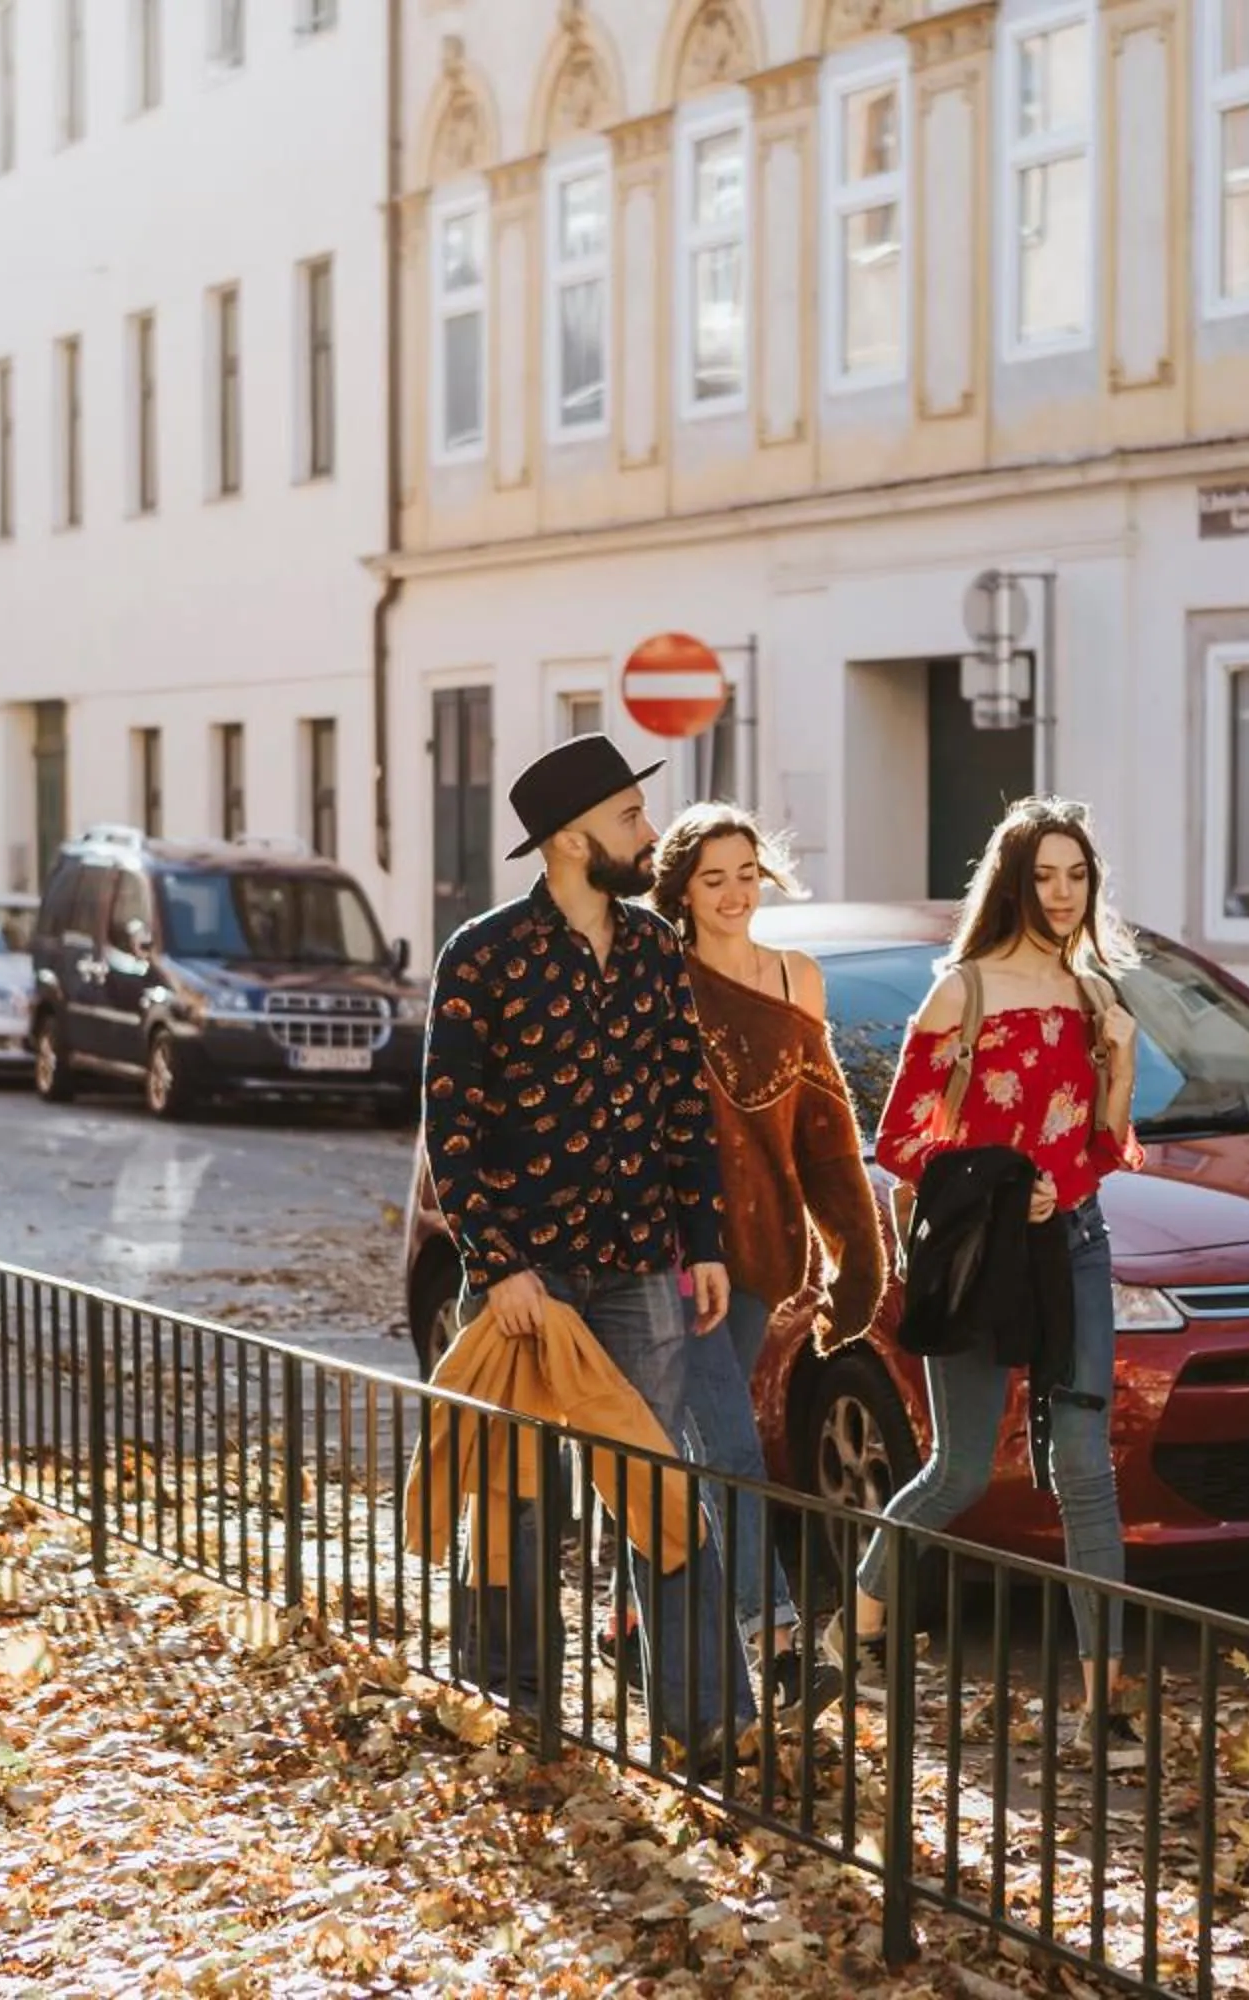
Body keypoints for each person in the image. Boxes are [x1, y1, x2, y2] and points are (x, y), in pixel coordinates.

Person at [419, 733, 753, 1772]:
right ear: (571, 839)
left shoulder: (653, 949)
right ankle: (512, 1704)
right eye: (629, 818)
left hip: (640, 1261)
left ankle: (706, 1720)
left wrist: (703, 1243)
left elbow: (685, 1108)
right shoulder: (483, 953)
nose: (649, 834)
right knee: (517, 1491)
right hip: (528, 1274)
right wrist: (497, 1267)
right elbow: (449, 1127)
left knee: (658, 1487)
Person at [833, 796, 1145, 1765]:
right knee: (961, 1470)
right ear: (1013, 882)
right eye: (1044, 876)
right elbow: (899, 1141)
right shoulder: (960, 993)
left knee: (1084, 1467)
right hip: (980, 1253)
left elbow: (1104, 1147)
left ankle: (1105, 1706)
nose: (1062, 894)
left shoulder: (1094, 995)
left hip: (1074, 1244)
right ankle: (860, 1619)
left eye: (1077, 876)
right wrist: (1009, 1188)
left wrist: (1121, 1065)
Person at [644, 803, 886, 1716]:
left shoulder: (797, 979)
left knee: (688, 1446)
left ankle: (633, 1626)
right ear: (681, 892)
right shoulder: (662, 981)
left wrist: (857, 1254)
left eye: (747, 874)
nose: (734, 893)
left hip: (759, 1256)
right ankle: (778, 1645)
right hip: (672, 1254)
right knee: (730, 1445)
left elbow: (826, 1132)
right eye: (713, 879)